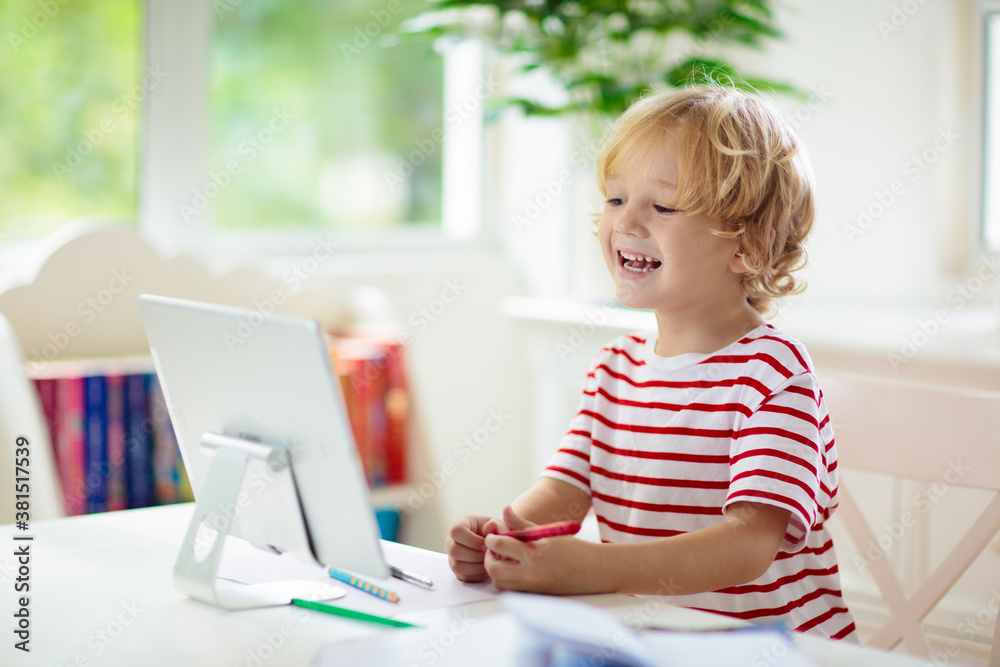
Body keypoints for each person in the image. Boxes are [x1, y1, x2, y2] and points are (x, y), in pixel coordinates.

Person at [446, 84, 857, 641]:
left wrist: (596, 569)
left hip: (771, 651)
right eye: (615, 199)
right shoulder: (615, 369)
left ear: (748, 246)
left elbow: (747, 545)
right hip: (652, 642)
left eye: (663, 206)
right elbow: (564, 490)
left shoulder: (773, 375)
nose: (627, 222)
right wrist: (505, 537)